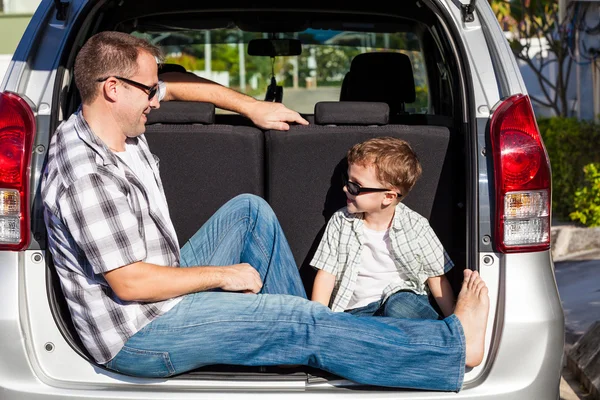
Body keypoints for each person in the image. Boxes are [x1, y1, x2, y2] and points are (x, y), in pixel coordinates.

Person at [41, 31, 490, 391]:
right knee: (303, 322)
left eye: (155, 89)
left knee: (250, 212)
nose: (157, 101)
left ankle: (311, 336)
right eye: (148, 91)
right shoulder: (86, 174)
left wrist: (251, 106)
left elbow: (177, 85)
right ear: (113, 88)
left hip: (157, 286)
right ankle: (451, 346)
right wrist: (224, 275)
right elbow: (131, 282)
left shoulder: (110, 119)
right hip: (138, 334)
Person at [311, 137, 456, 320]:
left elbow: (437, 278)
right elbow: (326, 275)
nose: (346, 188)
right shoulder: (340, 222)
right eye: (346, 180)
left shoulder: (416, 226)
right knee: (351, 324)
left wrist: (456, 322)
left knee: (399, 306)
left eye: (355, 186)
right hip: (357, 312)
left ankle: (436, 335)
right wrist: (318, 320)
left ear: (388, 196)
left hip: (403, 302)